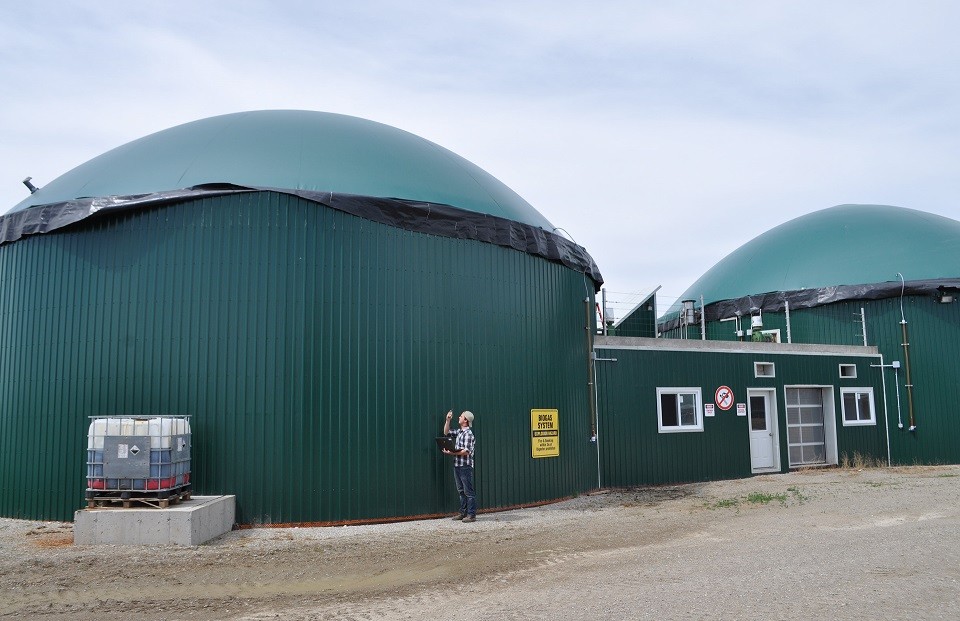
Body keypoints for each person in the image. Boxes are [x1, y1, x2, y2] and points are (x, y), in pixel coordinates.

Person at [442, 409, 476, 522]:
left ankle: (471, 515)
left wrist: (451, 453)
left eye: (461, 416)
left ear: (465, 420)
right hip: (457, 465)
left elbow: (466, 451)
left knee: (468, 492)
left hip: (465, 466)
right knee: (461, 491)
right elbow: (446, 432)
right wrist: (447, 420)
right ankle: (463, 512)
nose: (459, 417)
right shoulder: (460, 432)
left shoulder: (468, 434)